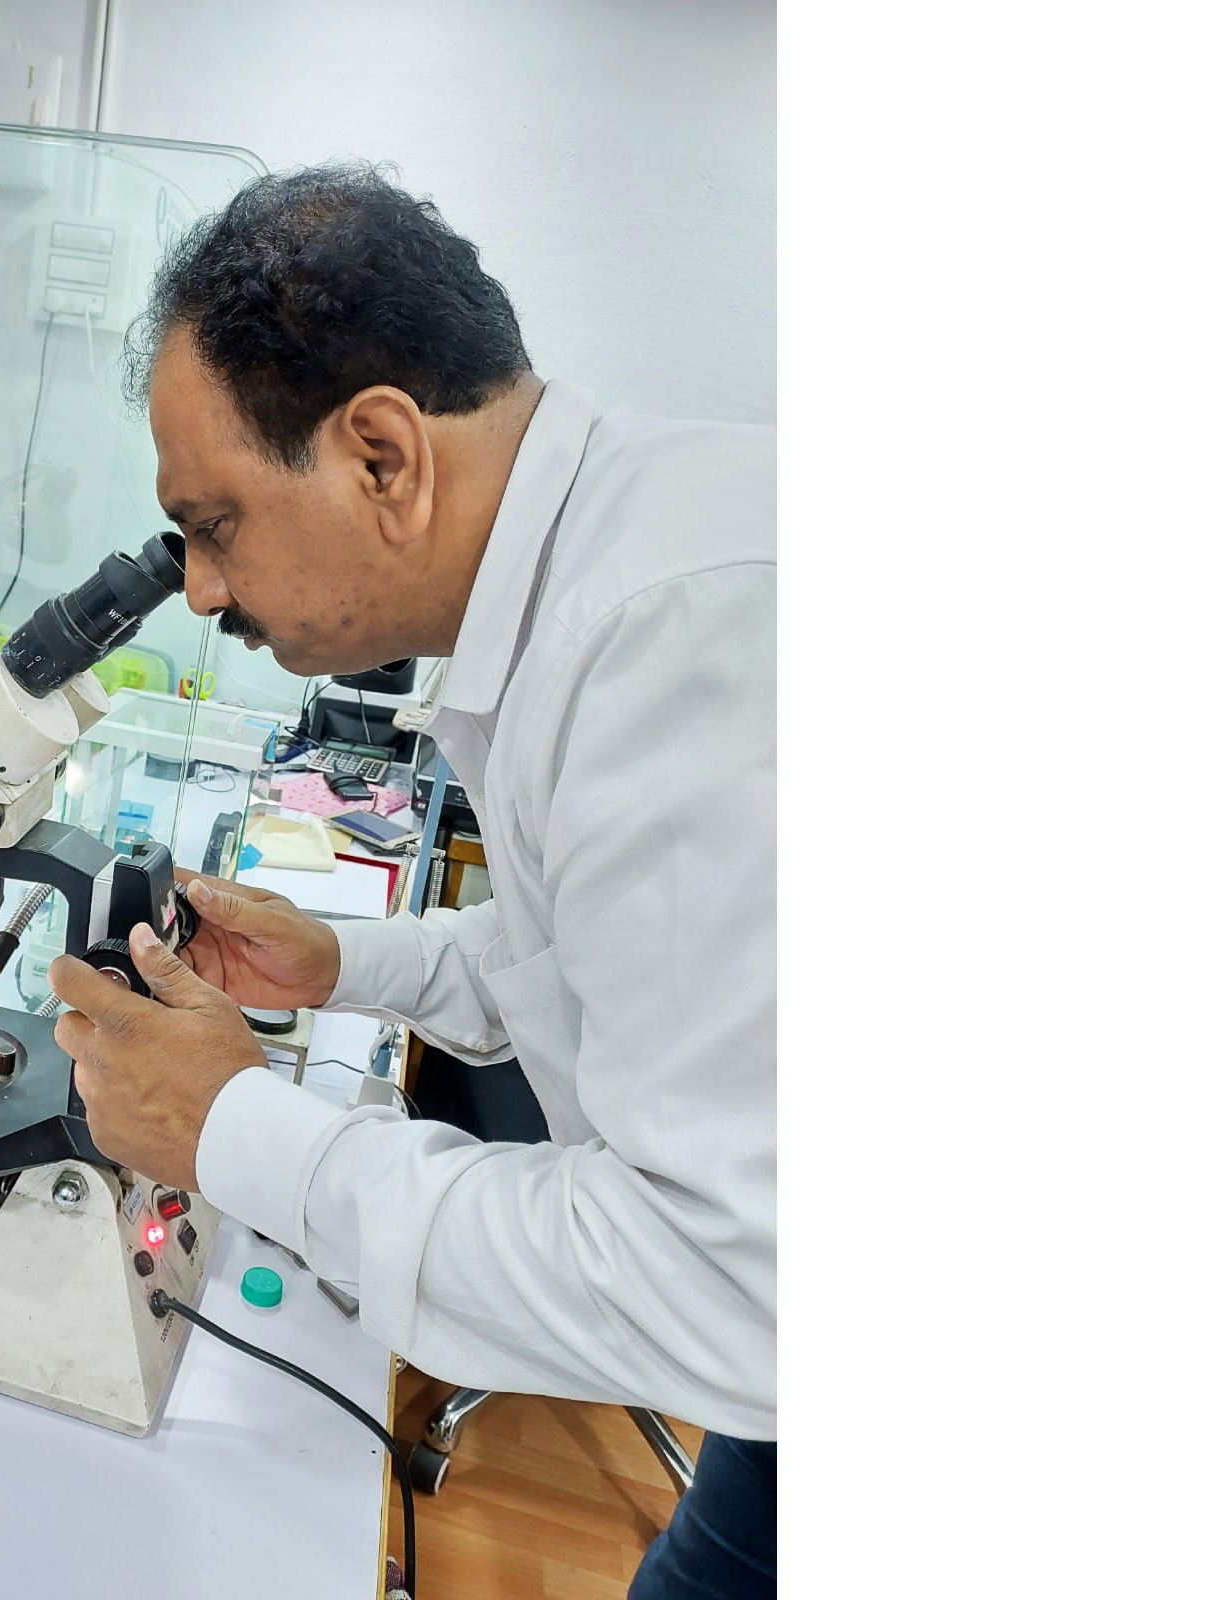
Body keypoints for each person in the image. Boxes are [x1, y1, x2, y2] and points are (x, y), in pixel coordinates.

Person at [44, 163, 775, 1597]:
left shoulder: (673, 632)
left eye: (216, 523)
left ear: (382, 455)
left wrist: (238, 1130)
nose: (200, 587)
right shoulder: (610, 565)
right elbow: (597, 958)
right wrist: (343, 965)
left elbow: (723, 1277)